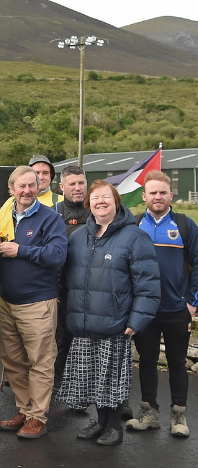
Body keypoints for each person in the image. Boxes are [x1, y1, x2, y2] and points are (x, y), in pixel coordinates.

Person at [58, 181, 160, 445]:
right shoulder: (78, 237)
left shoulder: (135, 237)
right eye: (95, 198)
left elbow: (147, 285)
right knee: (92, 377)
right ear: (88, 204)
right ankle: (101, 421)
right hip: (82, 322)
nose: (100, 202)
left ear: (116, 202)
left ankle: (115, 426)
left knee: (112, 380)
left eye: (106, 197)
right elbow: (66, 279)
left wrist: (137, 320)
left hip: (116, 323)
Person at [0, 165, 69, 440]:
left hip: (38, 301)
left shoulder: (50, 218)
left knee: (41, 361)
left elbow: (57, 255)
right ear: (11, 189)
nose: (27, 190)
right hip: (7, 300)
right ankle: (24, 408)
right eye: (21, 186)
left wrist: (22, 250)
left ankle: (38, 417)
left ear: (40, 187)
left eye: (32, 185)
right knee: (12, 360)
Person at [126, 171, 198, 437]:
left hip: (177, 309)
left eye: (162, 192)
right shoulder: (133, 226)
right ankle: (149, 412)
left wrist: (192, 303)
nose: (157, 197)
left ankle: (179, 416)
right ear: (144, 196)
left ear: (171, 195)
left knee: (177, 363)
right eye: (152, 192)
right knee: (146, 361)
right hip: (144, 310)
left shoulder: (185, 225)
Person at [52, 164, 89, 391]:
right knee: (61, 340)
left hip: (91, 288)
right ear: (62, 186)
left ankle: (83, 390)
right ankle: (57, 384)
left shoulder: (98, 209)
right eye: (72, 184)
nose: (77, 188)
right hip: (61, 288)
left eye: (81, 183)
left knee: (86, 342)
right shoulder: (54, 212)